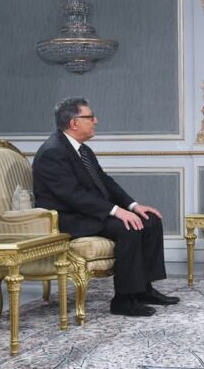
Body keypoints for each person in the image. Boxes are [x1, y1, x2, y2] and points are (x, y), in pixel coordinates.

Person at [33, 97, 179, 317]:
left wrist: (133, 206)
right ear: (74, 123)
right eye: (90, 117)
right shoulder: (52, 152)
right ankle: (123, 300)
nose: (96, 121)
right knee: (128, 227)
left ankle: (143, 290)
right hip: (69, 218)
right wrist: (116, 211)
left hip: (89, 212)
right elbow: (73, 195)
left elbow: (105, 181)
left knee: (150, 221)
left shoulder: (82, 150)